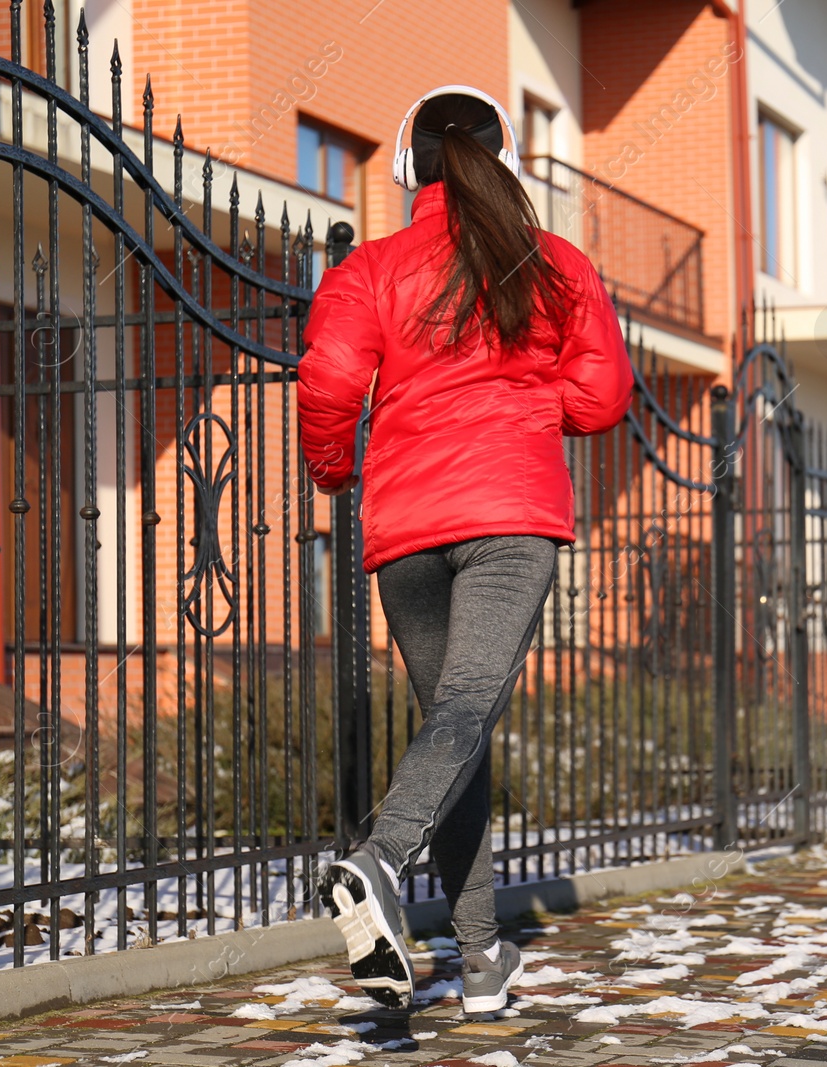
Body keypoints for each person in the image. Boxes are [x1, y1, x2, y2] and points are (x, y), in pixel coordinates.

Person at [296, 87, 633, 1014]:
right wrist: (523, 411)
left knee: (457, 728)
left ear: (411, 168)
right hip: (510, 519)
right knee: (466, 714)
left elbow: (327, 379)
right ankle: (379, 859)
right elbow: (603, 397)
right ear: (506, 161)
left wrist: (333, 472)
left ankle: (480, 958)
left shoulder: (371, 267)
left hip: (406, 532)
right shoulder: (554, 264)